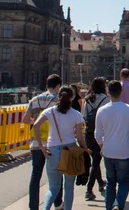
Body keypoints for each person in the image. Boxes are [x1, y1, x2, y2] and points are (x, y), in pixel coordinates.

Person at [33, 86, 89, 210]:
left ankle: (46, 208)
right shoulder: (76, 114)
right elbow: (79, 137)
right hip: (70, 151)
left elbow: (35, 126)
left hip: (52, 151)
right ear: (72, 97)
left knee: (53, 188)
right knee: (69, 188)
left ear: (58, 96)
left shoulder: (50, 111)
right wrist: (85, 149)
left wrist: (41, 146)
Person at [95, 81, 129, 210]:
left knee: (110, 183)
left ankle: (109, 207)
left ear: (108, 93)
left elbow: (97, 135)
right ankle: (118, 204)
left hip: (108, 151)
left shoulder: (101, 110)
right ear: (121, 92)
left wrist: (101, 146)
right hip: (124, 151)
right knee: (123, 182)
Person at [23, 74, 64, 210]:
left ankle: (33, 206)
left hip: (36, 142)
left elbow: (25, 119)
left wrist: (35, 122)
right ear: (58, 86)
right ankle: (58, 204)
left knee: (35, 175)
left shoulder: (35, 99)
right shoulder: (58, 101)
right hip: (53, 143)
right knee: (57, 174)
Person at [83, 78, 109, 200]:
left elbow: (84, 116)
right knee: (96, 161)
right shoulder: (105, 99)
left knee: (95, 160)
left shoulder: (87, 100)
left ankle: (100, 184)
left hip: (89, 133)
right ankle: (89, 189)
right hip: (101, 132)